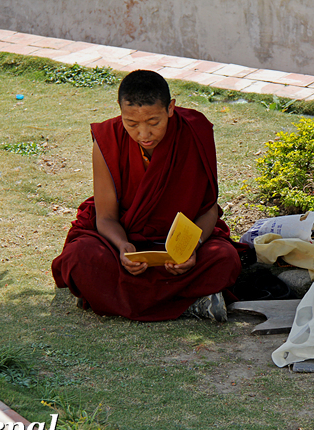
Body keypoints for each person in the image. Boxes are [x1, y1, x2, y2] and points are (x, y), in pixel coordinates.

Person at [51, 70, 241, 322]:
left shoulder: (195, 131)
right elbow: (106, 217)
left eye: (153, 122)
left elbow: (208, 209)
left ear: (171, 108)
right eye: (131, 124)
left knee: (224, 258)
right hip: (126, 240)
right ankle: (190, 305)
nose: (143, 135)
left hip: (179, 245)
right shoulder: (108, 139)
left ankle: (110, 297)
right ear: (120, 113)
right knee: (80, 257)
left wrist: (191, 248)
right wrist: (122, 248)